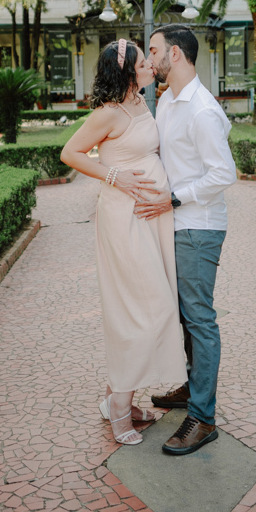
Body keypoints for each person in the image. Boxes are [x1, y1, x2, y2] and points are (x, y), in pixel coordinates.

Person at [60, 39, 187, 446]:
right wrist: (115, 176)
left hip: (150, 221)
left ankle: (120, 398)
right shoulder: (109, 113)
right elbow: (70, 152)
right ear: (128, 72)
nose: (151, 64)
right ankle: (119, 406)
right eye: (143, 61)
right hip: (124, 219)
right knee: (144, 310)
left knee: (149, 307)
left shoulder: (141, 102)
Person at [135, 24, 237, 456]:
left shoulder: (201, 109)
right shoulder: (168, 100)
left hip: (198, 225)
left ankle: (203, 417)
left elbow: (223, 173)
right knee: (181, 314)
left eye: (153, 50)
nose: (150, 58)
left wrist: (175, 197)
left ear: (174, 54)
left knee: (198, 318)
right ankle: (191, 388)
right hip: (175, 223)